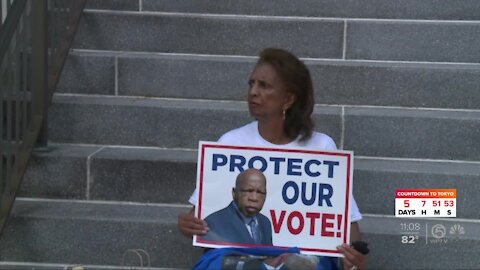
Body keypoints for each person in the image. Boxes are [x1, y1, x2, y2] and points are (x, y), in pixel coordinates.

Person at [178, 48, 368, 270]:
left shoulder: (321, 147)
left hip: (301, 258)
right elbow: (201, 218)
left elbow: (346, 222)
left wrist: (354, 260)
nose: (253, 92)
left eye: (264, 86)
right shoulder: (231, 142)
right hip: (238, 255)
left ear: (287, 99)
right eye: (251, 84)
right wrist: (187, 224)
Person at [201, 168, 272, 245]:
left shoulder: (265, 222)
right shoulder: (213, 223)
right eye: (248, 191)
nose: (254, 198)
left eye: (260, 192)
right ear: (234, 193)